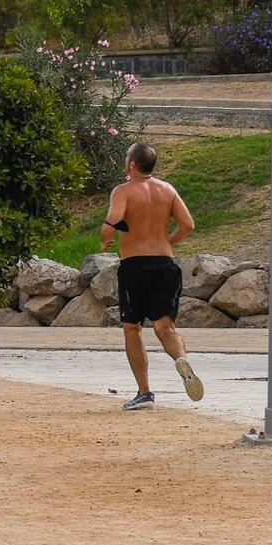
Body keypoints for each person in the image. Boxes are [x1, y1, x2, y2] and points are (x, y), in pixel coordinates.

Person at [100, 141, 204, 411]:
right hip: (165, 264)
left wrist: (105, 240)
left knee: (132, 327)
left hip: (135, 266)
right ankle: (180, 359)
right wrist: (168, 241)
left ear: (132, 164)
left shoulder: (123, 191)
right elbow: (188, 225)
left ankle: (144, 392)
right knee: (164, 327)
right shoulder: (167, 190)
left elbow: (111, 223)